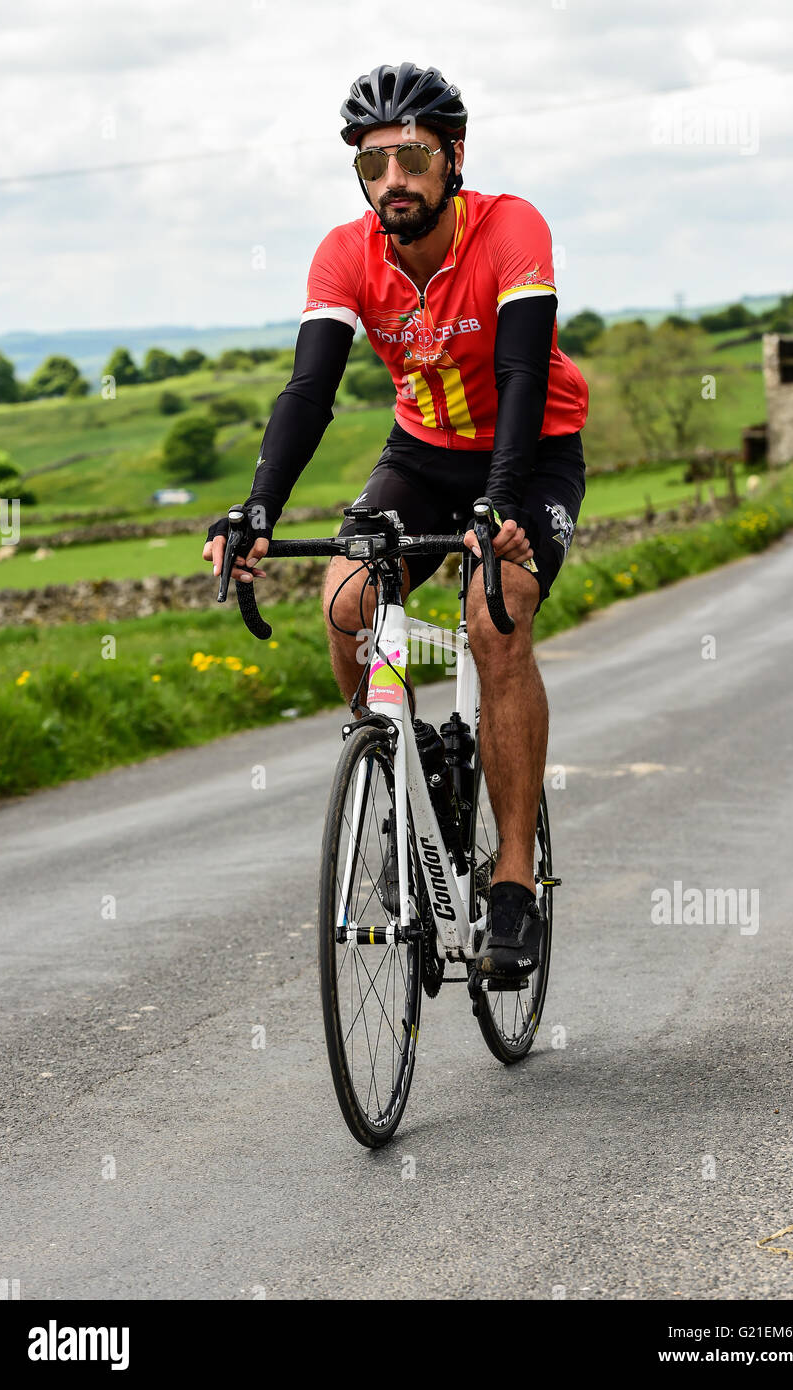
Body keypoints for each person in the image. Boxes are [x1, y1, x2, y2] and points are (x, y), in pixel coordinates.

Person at [204, 62, 589, 979]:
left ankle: (509, 886)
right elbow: (309, 391)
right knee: (343, 601)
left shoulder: (510, 227)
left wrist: (498, 502)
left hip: (530, 451)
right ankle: (404, 752)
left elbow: (523, 378)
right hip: (419, 454)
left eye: (411, 158)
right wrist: (258, 508)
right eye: (371, 166)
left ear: (453, 158)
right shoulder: (346, 253)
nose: (392, 182)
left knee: (495, 621)